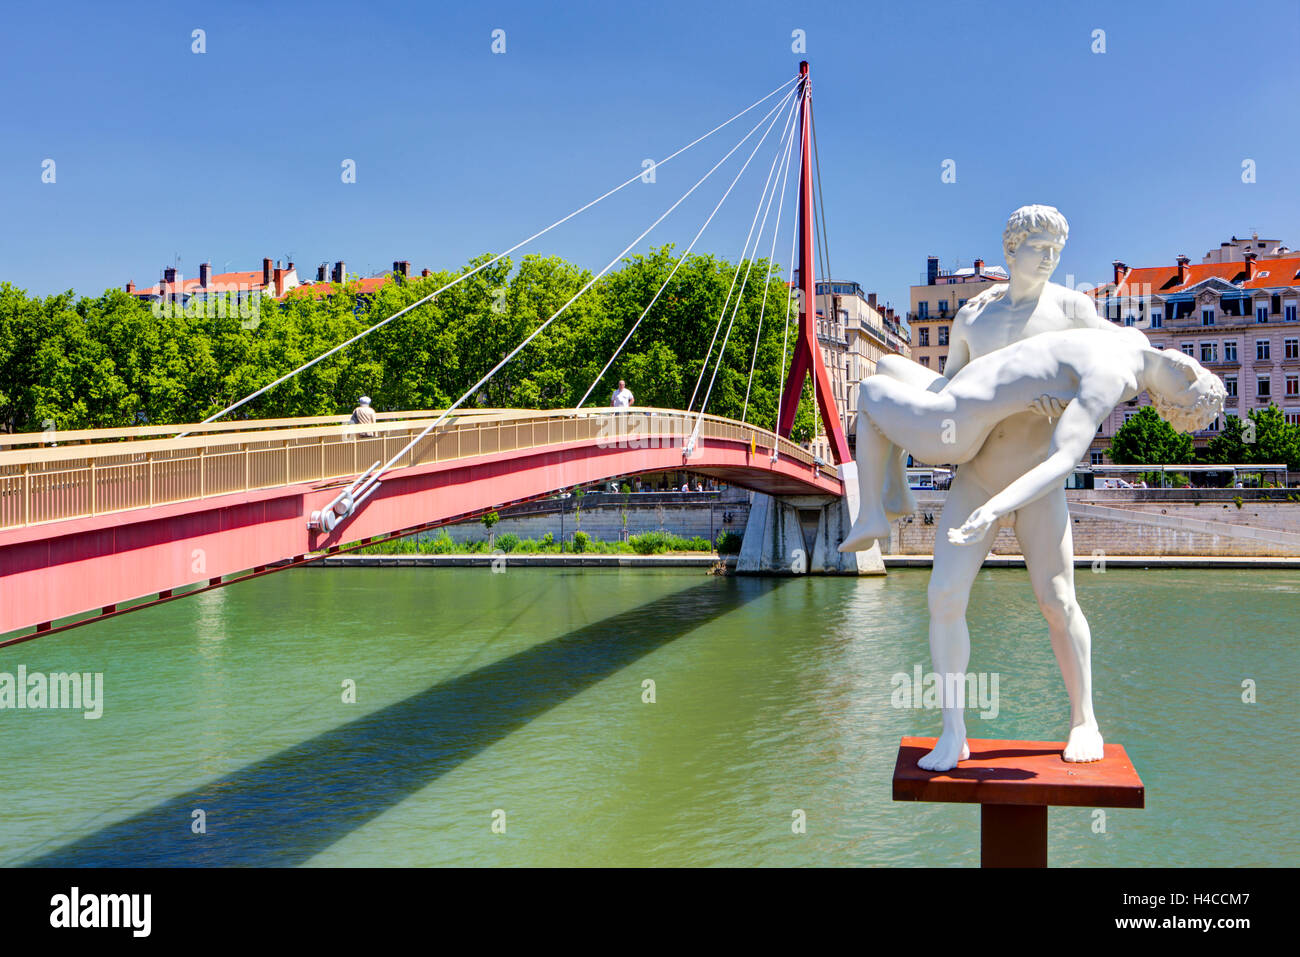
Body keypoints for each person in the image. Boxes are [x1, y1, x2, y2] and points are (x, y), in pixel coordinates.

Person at [844, 205, 1141, 772]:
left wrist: (1075, 407)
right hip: (976, 475)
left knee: (1057, 602)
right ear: (1011, 249)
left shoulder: (1074, 309)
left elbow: (1129, 365)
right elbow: (949, 393)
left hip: (1035, 479)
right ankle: (952, 729)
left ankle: (1084, 719)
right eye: (1039, 247)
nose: (1050, 258)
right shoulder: (972, 317)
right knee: (944, 598)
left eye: (1057, 249)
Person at [841, 326, 1223, 548]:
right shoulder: (1133, 339)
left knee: (870, 392)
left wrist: (994, 508)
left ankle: (872, 515)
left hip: (955, 421)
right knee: (888, 363)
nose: (1187, 367)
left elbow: (1061, 462)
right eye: (1197, 370)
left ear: (1164, 401)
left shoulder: (1113, 379)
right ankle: (896, 491)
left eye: (1185, 384)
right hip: (953, 388)